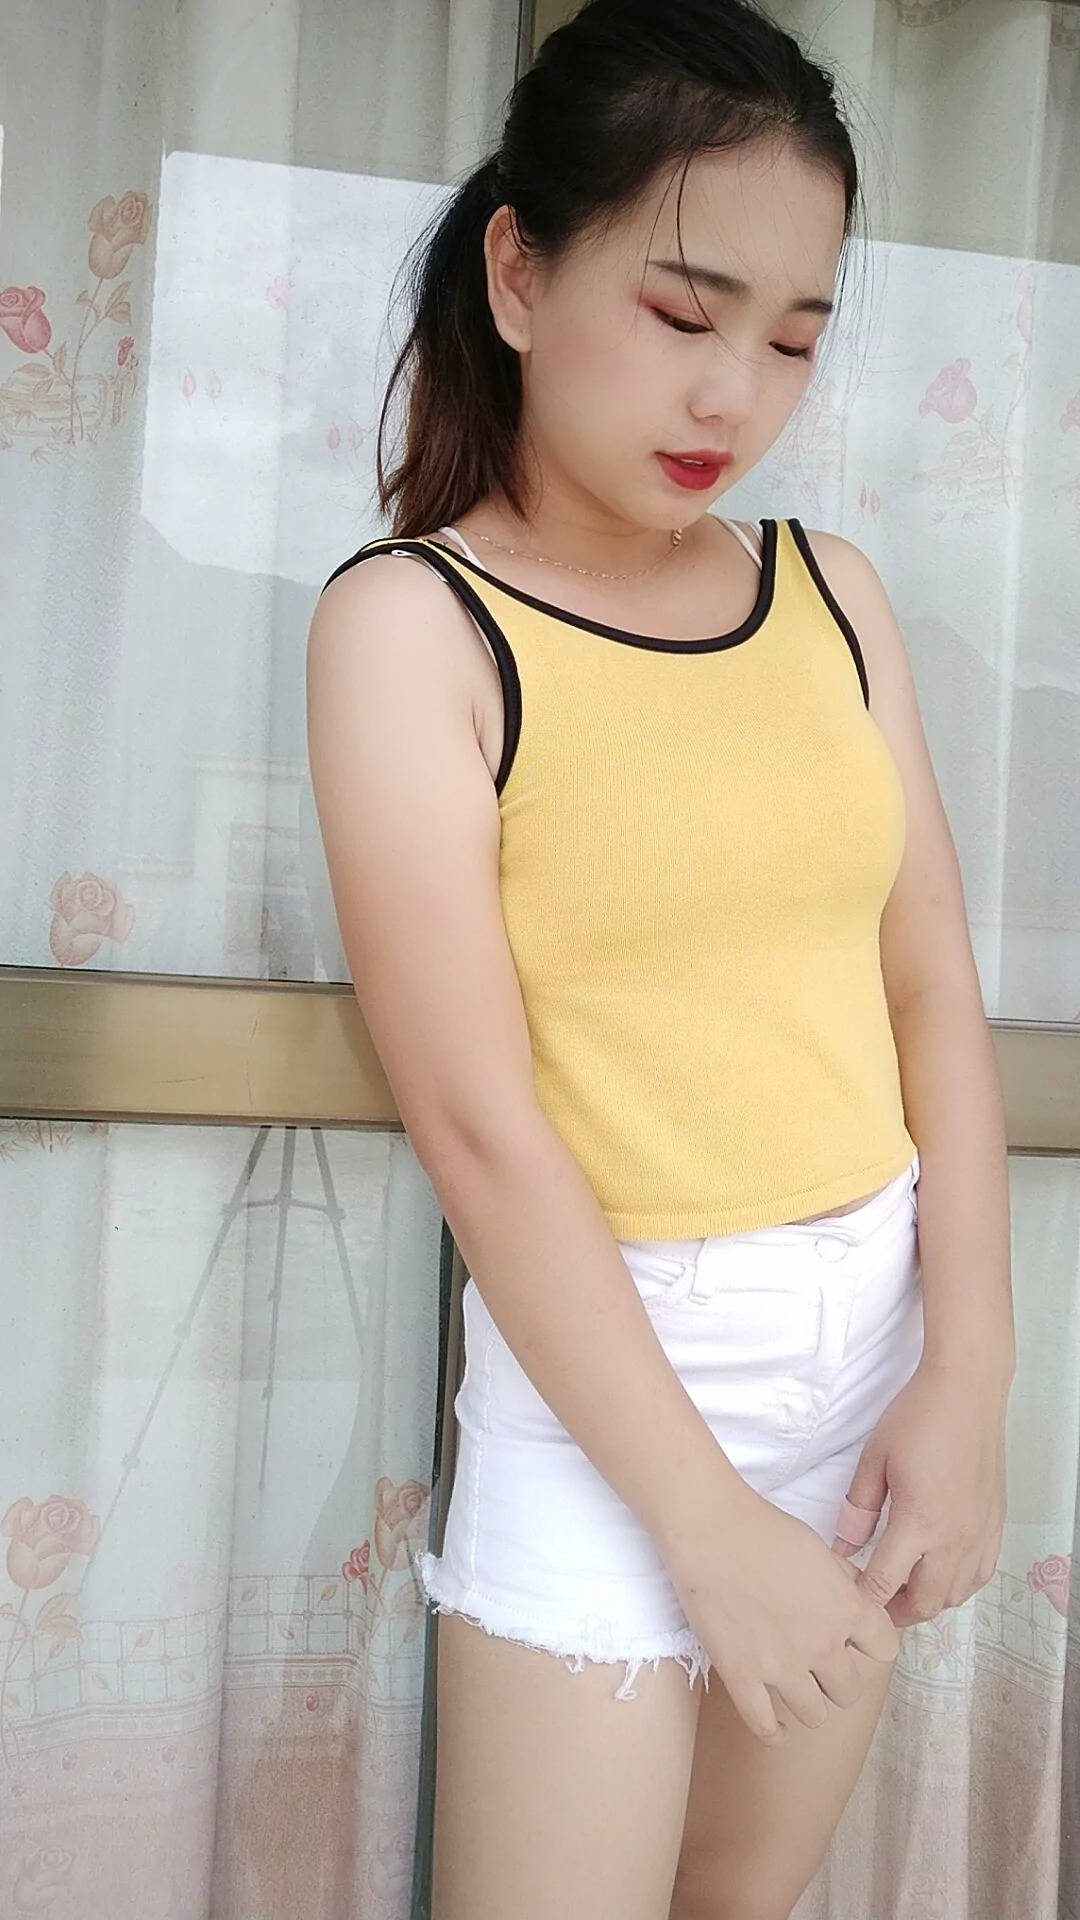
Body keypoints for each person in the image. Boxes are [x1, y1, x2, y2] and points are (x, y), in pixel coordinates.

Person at [305, 1, 1016, 1914]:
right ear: (520, 273)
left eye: (792, 341)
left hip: (867, 1359)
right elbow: (479, 1130)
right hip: (609, 1383)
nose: (735, 397)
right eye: (686, 313)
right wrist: (702, 1525)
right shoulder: (414, 626)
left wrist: (971, 1374)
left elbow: (929, 987)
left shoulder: (831, 594)